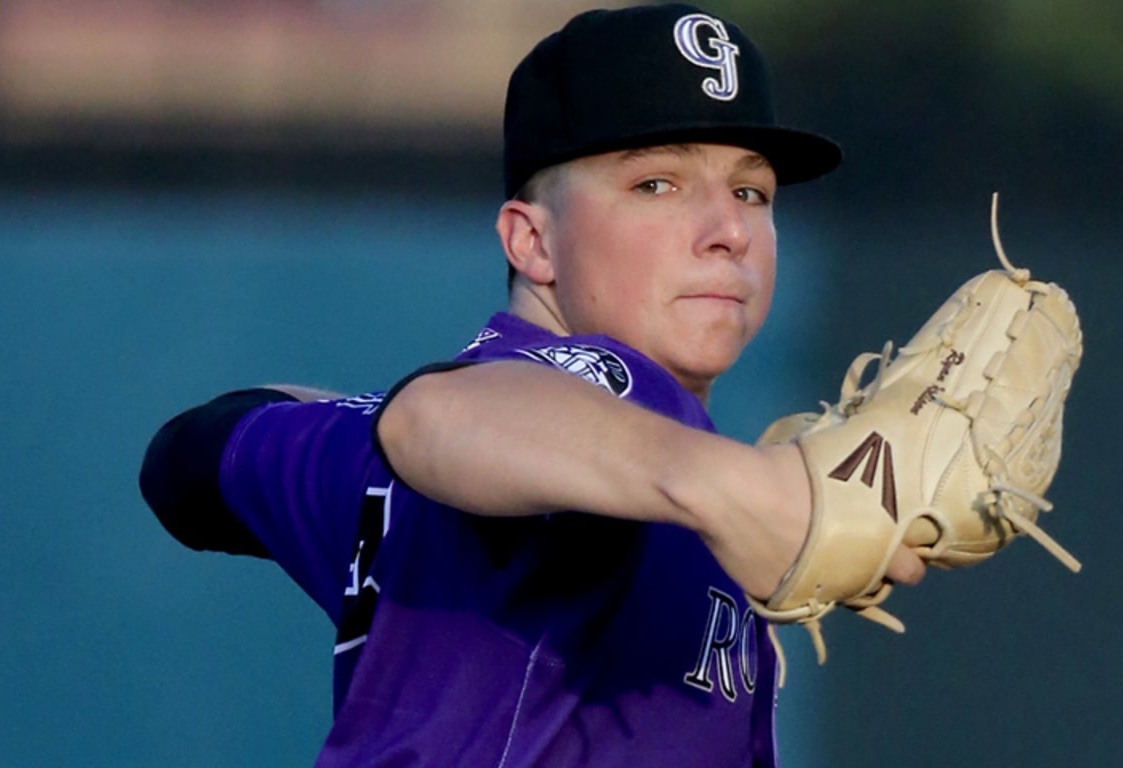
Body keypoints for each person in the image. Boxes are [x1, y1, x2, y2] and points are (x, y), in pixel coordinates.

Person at [139, 4, 923, 766]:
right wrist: (741, 486)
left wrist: (350, 429)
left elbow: (186, 462)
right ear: (533, 241)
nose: (730, 228)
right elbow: (436, 417)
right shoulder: (625, 397)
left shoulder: (397, 462)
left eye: (751, 191)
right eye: (657, 184)